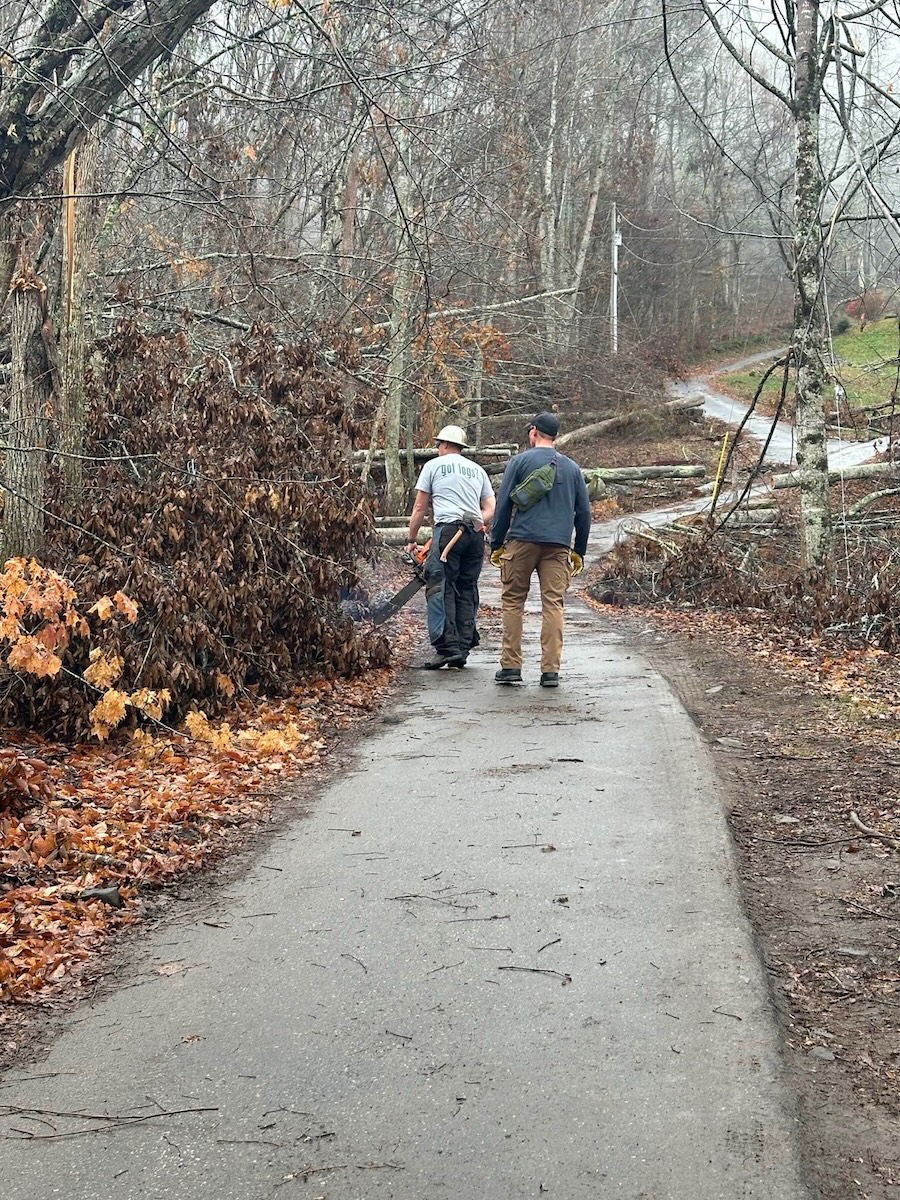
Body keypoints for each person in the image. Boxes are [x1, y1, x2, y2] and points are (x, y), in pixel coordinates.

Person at [489, 411, 591, 688]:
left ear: (534, 432)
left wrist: (496, 543)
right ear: (554, 436)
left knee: (513, 602)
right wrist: (578, 550)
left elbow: (503, 507)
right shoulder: (571, 468)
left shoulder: (519, 462)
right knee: (553, 604)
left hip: (521, 541)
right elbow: (584, 513)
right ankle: (550, 671)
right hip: (557, 545)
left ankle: (510, 666)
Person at [406, 423, 495, 669]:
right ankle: (463, 646)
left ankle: (446, 648)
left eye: (438, 445)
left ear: (444, 444)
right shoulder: (478, 470)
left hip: (447, 532)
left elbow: (420, 508)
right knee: (467, 586)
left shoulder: (432, 467)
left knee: (440, 585)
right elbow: (490, 508)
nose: (437, 449)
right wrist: (476, 521)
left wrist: (412, 540)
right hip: (475, 535)